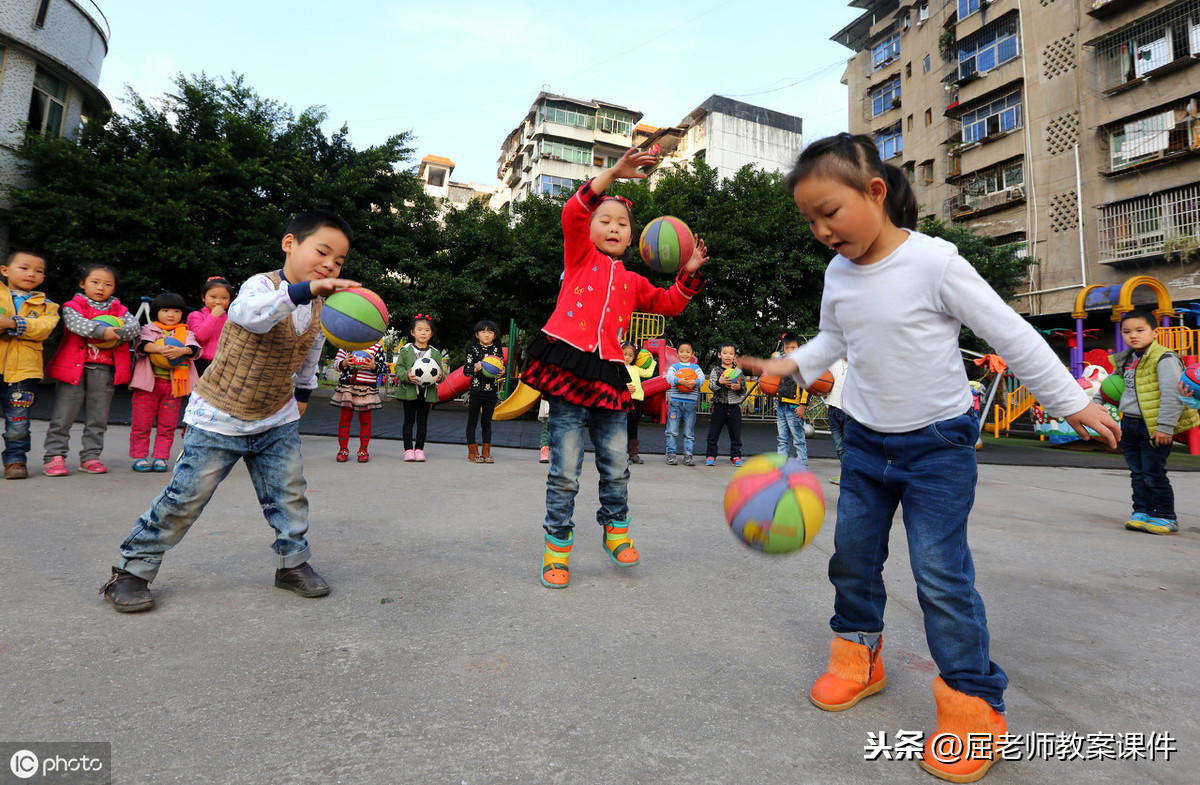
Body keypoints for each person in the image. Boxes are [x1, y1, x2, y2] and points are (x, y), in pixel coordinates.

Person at [737, 134, 1119, 783]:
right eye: (810, 219)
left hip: (937, 444)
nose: (821, 228)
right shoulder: (838, 274)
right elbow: (835, 335)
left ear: (875, 192)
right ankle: (859, 655)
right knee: (853, 556)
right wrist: (792, 364)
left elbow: (1009, 330)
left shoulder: (934, 262)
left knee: (941, 573)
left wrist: (1069, 400)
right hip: (861, 437)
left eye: (830, 210)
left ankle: (973, 702)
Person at [100, 209, 360, 613]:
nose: (329, 265)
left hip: (276, 416)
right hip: (219, 415)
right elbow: (249, 317)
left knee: (289, 494)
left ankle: (292, 564)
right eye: (322, 252)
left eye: (338, 261)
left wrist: (305, 391)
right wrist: (303, 291)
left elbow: (311, 349)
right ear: (290, 244)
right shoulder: (261, 286)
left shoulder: (324, 305)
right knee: (186, 497)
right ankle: (132, 570)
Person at [520, 147, 709, 588]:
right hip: (568, 371)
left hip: (610, 377)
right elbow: (572, 210)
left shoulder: (634, 281)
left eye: (622, 225)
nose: (613, 227)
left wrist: (690, 273)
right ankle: (556, 551)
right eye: (604, 221)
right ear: (588, 230)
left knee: (616, 463)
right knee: (565, 470)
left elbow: (669, 304)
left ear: (632, 240)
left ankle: (616, 530)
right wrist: (616, 174)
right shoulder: (578, 257)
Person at [43, 263, 140, 476]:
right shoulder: (72, 306)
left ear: (113, 289)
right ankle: (54, 456)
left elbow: (134, 328)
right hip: (73, 370)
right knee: (63, 416)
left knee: (98, 417)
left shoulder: (120, 310)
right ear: (82, 283)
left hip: (103, 370)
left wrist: (120, 333)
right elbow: (76, 324)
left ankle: (91, 456)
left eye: (107, 284)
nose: (100, 288)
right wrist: (104, 332)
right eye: (95, 282)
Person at [1111, 309, 1197, 535]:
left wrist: (1165, 427)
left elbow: (1172, 395)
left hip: (1153, 426)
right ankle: (1142, 511)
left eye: (1140, 330)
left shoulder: (1165, 358)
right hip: (1130, 423)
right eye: (1127, 332)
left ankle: (1165, 516)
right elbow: (1116, 385)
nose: (1133, 336)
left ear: (1155, 332)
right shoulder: (1129, 358)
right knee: (1137, 472)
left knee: (1153, 472)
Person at [0, 250, 59, 480]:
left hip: (23, 373)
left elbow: (43, 329)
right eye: (24, 268)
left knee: (18, 423)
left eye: (38, 271)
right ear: (5, 270)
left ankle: (15, 461)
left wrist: (11, 323)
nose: (31, 274)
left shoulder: (47, 305)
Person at [129, 292, 200, 472]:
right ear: (156, 312)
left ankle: (160, 458)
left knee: (167, 425)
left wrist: (180, 351)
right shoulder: (149, 328)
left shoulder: (186, 332)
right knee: (141, 424)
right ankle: (140, 457)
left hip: (173, 387)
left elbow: (193, 350)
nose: (170, 314)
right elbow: (143, 345)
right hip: (147, 386)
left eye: (176, 311)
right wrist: (161, 349)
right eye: (165, 310)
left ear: (182, 314)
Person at [394, 314, 443, 462]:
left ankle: (420, 449)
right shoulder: (406, 350)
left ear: (431, 334)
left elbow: (440, 370)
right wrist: (406, 376)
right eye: (420, 329)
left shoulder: (435, 353)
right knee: (408, 421)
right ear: (412, 332)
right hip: (409, 393)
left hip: (427, 393)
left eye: (427, 330)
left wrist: (441, 376)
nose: (423, 333)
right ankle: (408, 450)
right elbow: (399, 368)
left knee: (422, 422)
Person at [330, 340, 386, 463]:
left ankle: (363, 450)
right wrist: (344, 362)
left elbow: (383, 367)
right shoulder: (346, 344)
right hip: (347, 389)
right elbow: (336, 364)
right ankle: (343, 449)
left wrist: (374, 366)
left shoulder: (376, 346)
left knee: (365, 420)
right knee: (345, 419)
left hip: (366, 390)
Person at [464, 319, 504, 463]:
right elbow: (466, 371)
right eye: (483, 331)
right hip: (475, 392)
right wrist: (476, 367)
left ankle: (486, 453)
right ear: (477, 334)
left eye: (490, 332)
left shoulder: (497, 350)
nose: (486, 335)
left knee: (487, 423)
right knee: (472, 422)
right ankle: (473, 452)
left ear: (494, 335)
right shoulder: (472, 350)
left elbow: (501, 367)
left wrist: (501, 372)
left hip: (491, 393)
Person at [704, 341, 747, 467]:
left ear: (734, 357)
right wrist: (719, 382)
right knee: (713, 433)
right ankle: (711, 455)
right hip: (719, 406)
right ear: (719, 355)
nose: (728, 356)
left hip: (734, 407)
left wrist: (738, 387)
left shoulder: (738, 372)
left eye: (731, 353)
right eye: (725, 353)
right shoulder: (716, 371)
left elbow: (743, 390)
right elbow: (711, 387)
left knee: (736, 434)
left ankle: (736, 456)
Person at [665, 340, 704, 466]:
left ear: (692, 354)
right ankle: (671, 454)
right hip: (676, 403)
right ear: (677, 353)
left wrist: (695, 382)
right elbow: (669, 378)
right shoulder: (674, 367)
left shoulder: (696, 368)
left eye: (688, 351)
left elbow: (702, 379)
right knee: (672, 430)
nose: (685, 354)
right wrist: (679, 381)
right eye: (681, 351)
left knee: (689, 432)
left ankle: (688, 455)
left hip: (690, 404)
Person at [187, 276, 233, 377]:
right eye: (213, 297)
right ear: (203, 297)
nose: (218, 301)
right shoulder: (196, 315)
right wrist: (213, 316)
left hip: (223, 364)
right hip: (200, 362)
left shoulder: (230, 319)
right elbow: (199, 336)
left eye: (224, 298)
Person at [775, 332, 808, 467]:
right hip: (781, 403)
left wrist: (803, 405)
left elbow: (808, 386)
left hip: (794, 406)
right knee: (782, 438)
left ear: (799, 348)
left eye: (792, 348)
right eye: (786, 348)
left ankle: (802, 465)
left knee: (798, 439)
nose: (789, 351)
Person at [624, 341, 655, 464]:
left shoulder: (636, 368)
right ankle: (621, 454)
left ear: (634, 357)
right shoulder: (617, 367)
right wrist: (625, 389)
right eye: (624, 354)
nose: (627, 357)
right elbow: (614, 382)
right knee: (621, 427)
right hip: (624, 400)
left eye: (630, 355)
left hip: (637, 400)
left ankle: (633, 454)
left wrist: (652, 362)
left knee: (633, 427)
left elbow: (648, 373)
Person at [825, 356, 849, 484]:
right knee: (839, 446)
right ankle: (844, 473)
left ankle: (848, 475)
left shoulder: (858, 366)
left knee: (848, 445)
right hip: (833, 408)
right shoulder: (834, 362)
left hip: (848, 411)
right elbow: (822, 379)